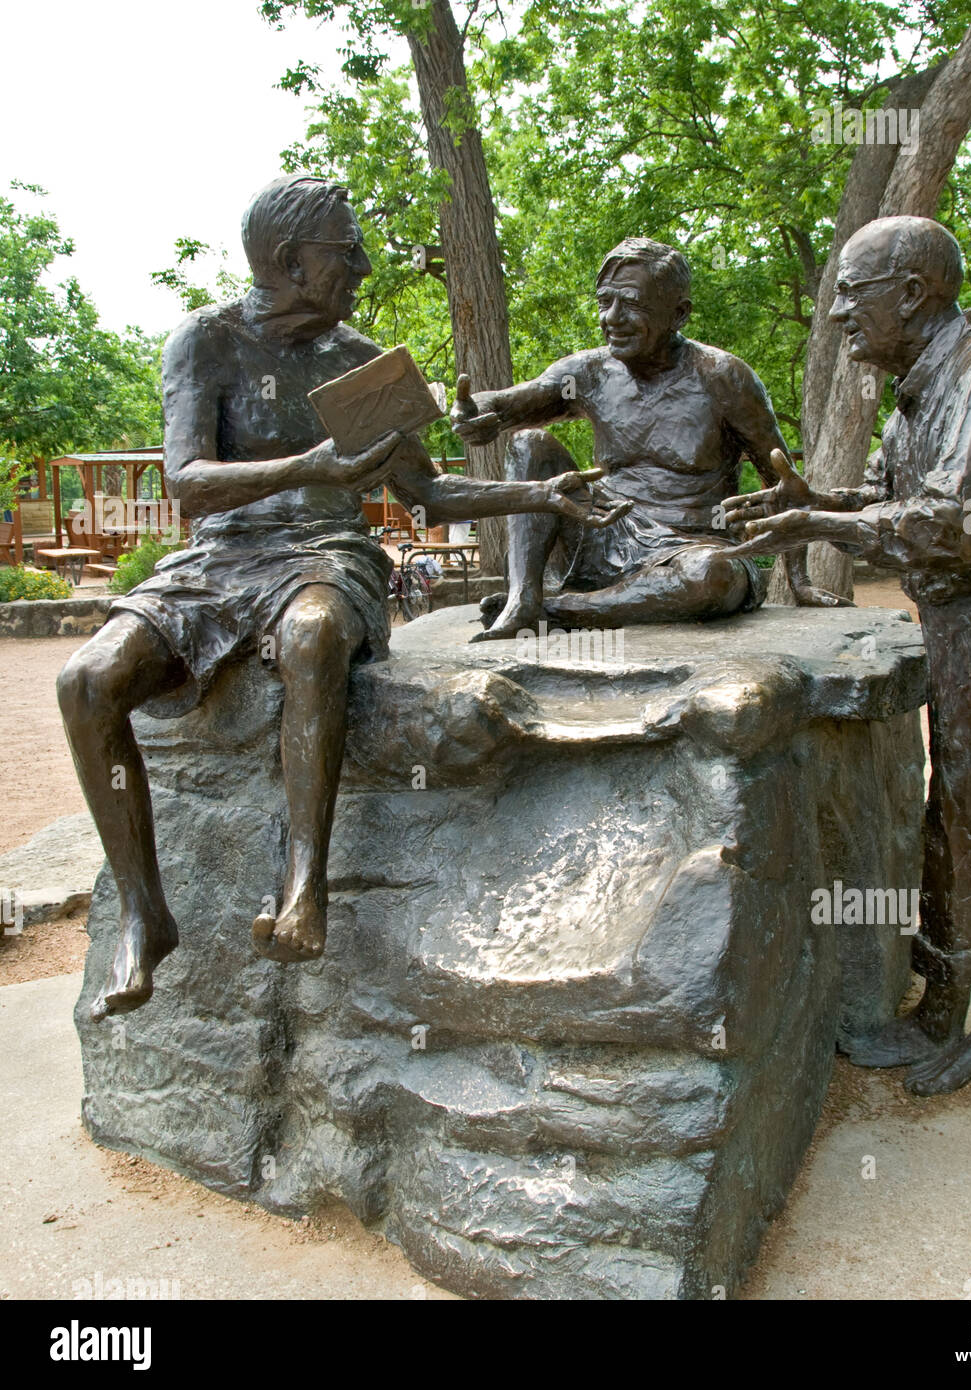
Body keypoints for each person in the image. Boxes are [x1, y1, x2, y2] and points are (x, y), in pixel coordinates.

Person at [58, 175, 623, 1021]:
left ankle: (302, 884)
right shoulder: (205, 342)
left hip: (326, 553)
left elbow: (429, 496)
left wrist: (538, 498)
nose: (360, 264)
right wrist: (307, 467)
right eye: (344, 249)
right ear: (288, 261)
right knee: (84, 682)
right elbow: (188, 484)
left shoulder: (365, 366)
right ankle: (146, 915)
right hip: (220, 557)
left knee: (316, 635)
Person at [724, 215, 971, 1095]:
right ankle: (943, 1010)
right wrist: (817, 499)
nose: (840, 311)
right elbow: (889, 498)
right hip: (967, 619)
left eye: (853, 291)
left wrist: (817, 523)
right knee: (963, 813)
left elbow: (945, 525)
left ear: (913, 294)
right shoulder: (922, 385)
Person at [450, 237, 846, 641]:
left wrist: (800, 581)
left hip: (692, 548)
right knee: (528, 444)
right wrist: (474, 410)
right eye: (605, 302)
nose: (612, 318)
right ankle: (523, 596)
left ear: (679, 314)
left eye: (633, 304)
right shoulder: (589, 373)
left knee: (713, 576)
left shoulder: (724, 378)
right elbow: (505, 405)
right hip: (600, 533)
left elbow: (783, 483)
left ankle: (555, 609)